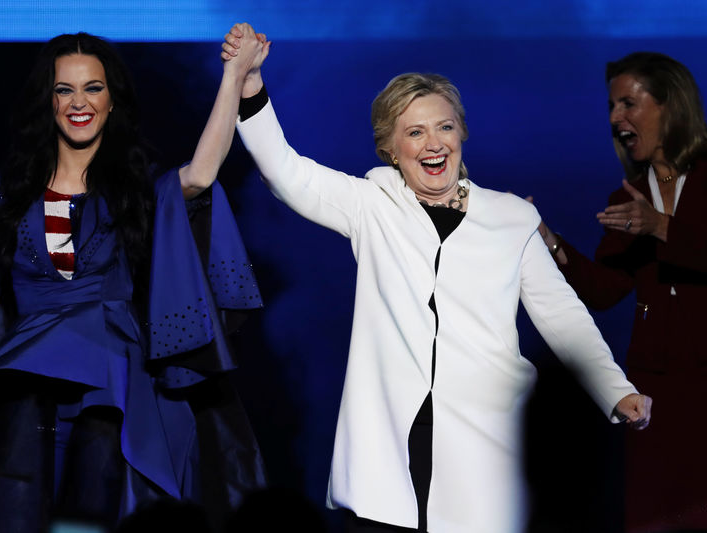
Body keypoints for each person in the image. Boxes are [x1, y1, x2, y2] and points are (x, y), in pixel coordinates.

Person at [222, 24, 652, 533]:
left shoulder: (510, 217)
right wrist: (249, 84)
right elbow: (286, 172)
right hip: (392, 445)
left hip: (486, 436)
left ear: (461, 134)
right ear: (390, 147)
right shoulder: (372, 204)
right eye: (415, 132)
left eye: (444, 127)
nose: (434, 144)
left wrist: (614, 389)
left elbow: (561, 314)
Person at [0, 28, 269, 532]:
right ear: (48, 103)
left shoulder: (137, 191)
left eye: (93, 88)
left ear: (113, 101)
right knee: (11, 502)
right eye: (64, 90)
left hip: (113, 382)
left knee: (100, 506)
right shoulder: (7, 194)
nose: (79, 102)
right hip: (26, 381)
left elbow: (201, 176)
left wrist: (234, 76)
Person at [535, 52, 707, 532]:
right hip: (657, 390)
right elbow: (605, 290)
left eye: (628, 103)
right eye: (612, 107)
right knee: (655, 518)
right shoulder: (627, 198)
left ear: (669, 104)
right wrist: (546, 239)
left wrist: (663, 227)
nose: (616, 119)